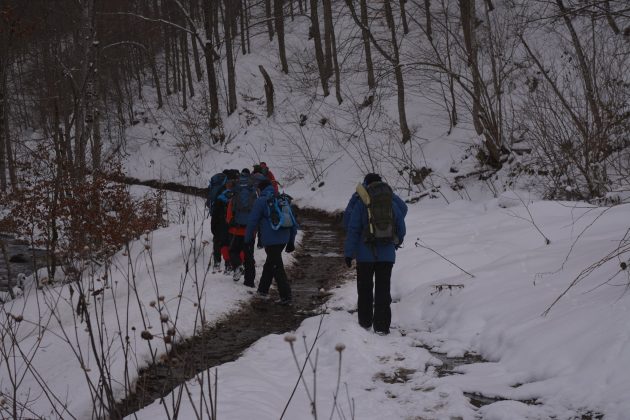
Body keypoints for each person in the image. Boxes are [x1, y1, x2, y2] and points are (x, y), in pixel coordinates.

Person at [343, 173, 407, 335]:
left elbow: (351, 227)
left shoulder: (361, 201)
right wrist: (396, 242)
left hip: (365, 255)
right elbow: (402, 219)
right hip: (387, 255)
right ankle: (382, 326)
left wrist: (349, 254)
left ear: (366, 183)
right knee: (383, 290)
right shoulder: (389, 200)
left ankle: (365, 323)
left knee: (365, 289)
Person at [244, 179, 297, 305]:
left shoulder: (261, 201)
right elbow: (293, 222)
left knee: (277, 267)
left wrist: (247, 239)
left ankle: (286, 297)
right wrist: (291, 241)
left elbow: (252, 222)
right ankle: (262, 290)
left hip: (271, 240)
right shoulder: (282, 199)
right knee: (270, 264)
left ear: (260, 189)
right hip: (284, 238)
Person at [226, 169, 257, 287]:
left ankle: (238, 266)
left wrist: (230, 223)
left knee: (233, 251)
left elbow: (229, 215)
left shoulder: (235, 195)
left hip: (237, 230)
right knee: (249, 257)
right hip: (250, 231)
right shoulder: (254, 192)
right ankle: (249, 283)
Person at [211, 179, 234, 272]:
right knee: (228, 244)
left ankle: (217, 262)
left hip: (220, 224)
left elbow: (214, 214)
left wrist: (213, 226)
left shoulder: (219, 197)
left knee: (217, 242)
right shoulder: (235, 197)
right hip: (230, 224)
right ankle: (228, 264)